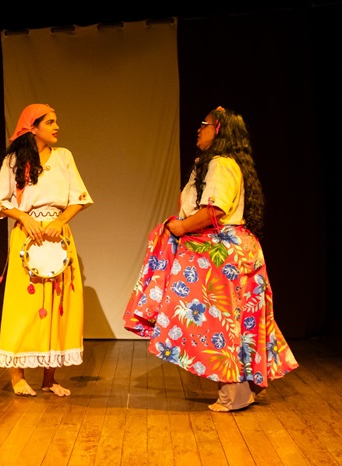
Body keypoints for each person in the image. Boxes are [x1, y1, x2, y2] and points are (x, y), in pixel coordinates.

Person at [123, 106, 298, 412]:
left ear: (218, 131)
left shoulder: (220, 163)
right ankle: (248, 386)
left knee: (219, 323)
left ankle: (234, 394)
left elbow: (214, 210)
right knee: (239, 321)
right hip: (232, 250)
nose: (198, 129)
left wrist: (181, 228)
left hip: (221, 253)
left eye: (204, 124)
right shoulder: (215, 164)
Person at [0, 103, 93, 397]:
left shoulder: (64, 157)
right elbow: (0, 200)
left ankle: (49, 378)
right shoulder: (14, 160)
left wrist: (60, 221)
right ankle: (17, 377)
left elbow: (78, 198)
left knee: (57, 306)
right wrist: (24, 218)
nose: (56, 126)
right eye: (50, 122)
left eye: (55, 121)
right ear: (32, 127)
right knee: (23, 307)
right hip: (27, 236)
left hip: (58, 235)